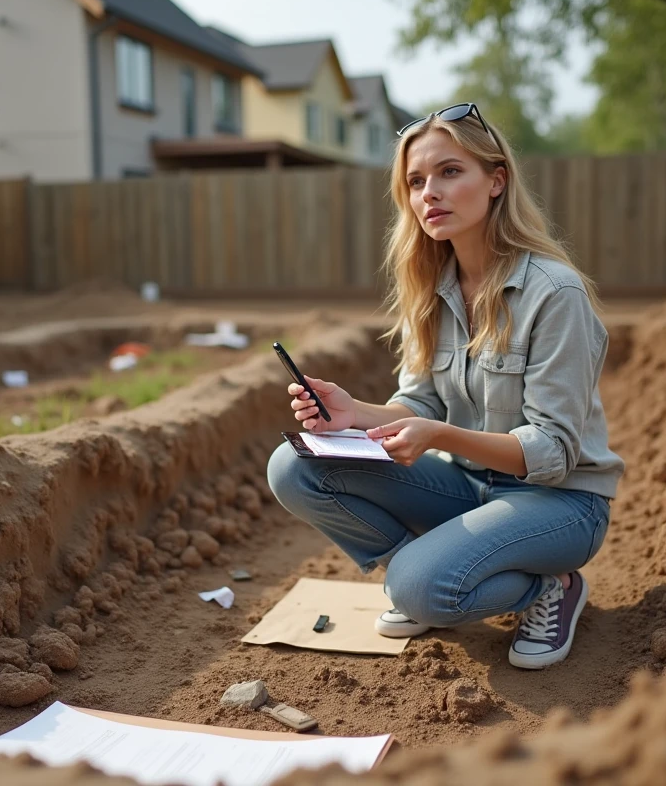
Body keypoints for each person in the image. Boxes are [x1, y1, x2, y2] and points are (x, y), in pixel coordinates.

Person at [266, 103, 625, 670]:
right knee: (293, 467)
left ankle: (549, 588)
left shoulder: (556, 294)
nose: (429, 192)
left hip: (560, 503)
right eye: (415, 181)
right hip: (468, 489)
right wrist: (353, 412)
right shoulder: (430, 287)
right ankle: (432, 573)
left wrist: (439, 435)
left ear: (496, 181)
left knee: (417, 587)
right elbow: (421, 400)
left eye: (450, 172)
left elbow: (553, 454)